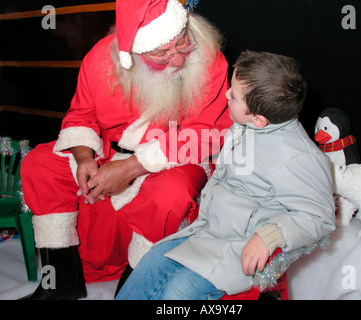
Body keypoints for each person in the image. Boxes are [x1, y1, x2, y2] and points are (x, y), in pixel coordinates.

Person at [20, 0, 232, 300]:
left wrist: (132, 167)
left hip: (177, 156)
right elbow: (81, 115)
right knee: (38, 163)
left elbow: (209, 133)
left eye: (182, 43)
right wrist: (84, 157)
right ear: (133, 54)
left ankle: (134, 287)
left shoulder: (208, 57)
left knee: (173, 190)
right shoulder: (101, 58)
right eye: (161, 54)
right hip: (110, 150)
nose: (178, 61)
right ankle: (61, 282)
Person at [115, 51, 336, 300]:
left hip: (241, 247)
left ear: (259, 119)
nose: (226, 95)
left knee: (180, 290)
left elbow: (319, 216)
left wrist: (269, 236)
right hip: (209, 229)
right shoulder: (243, 126)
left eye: (234, 95)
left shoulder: (299, 158)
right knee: (151, 262)